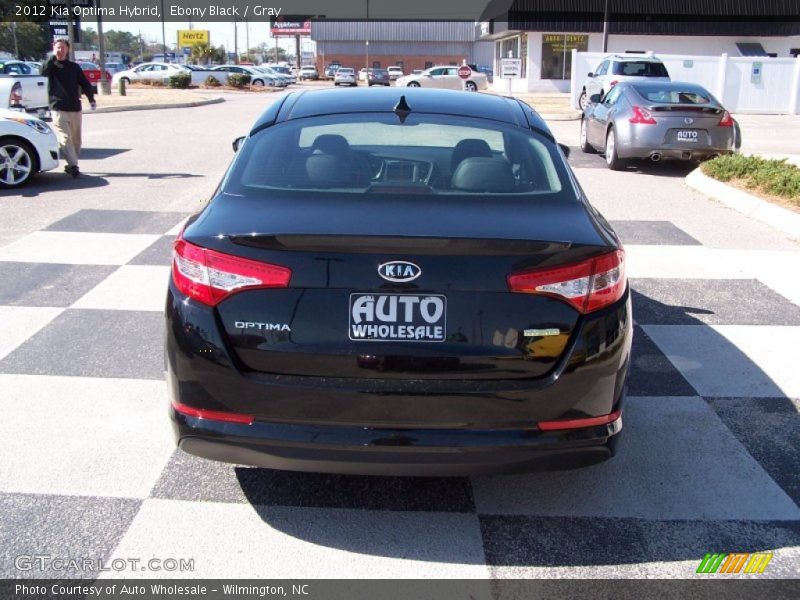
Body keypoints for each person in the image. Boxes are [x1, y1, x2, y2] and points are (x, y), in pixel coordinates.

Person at [41, 39, 96, 177]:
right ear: (54, 48)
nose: (61, 50)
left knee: (76, 139)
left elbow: (85, 83)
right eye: (58, 47)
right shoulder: (51, 65)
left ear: (68, 49)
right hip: (58, 107)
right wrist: (52, 57)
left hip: (74, 107)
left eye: (63, 47)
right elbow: (43, 72)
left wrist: (91, 99)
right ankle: (73, 165)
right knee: (65, 138)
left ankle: (71, 164)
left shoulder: (73, 67)